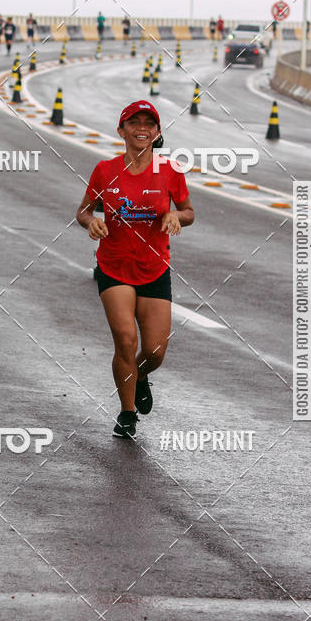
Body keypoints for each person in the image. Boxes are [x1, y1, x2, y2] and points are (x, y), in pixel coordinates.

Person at [76, 100, 194, 439]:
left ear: (157, 133)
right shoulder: (105, 170)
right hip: (114, 266)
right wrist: (91, 221)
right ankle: (127, 413)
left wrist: (175, 216)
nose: (141, 128)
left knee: (154, 351)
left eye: (148, 123)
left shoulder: (170, 171)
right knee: (125, 340)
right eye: (134, 122)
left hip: (154, 267)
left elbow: (188, 211)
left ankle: (140, 376)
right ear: (121, 130)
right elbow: (83, 210)